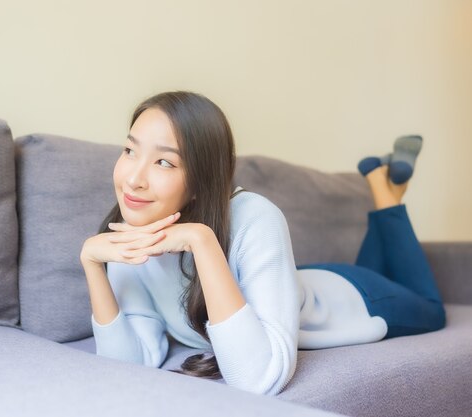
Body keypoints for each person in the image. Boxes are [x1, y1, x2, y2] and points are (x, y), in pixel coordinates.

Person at [79, 91, 446, 395]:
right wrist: (92, 263)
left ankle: (387, 196)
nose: (133, 179)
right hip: (298, 283)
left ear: (201, 180)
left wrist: (202, 240)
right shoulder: (130, 236)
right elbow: (125, 365)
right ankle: (385, 185)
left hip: (355, 299)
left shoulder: (256, 216)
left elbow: (259, 379)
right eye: (130, 151)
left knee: (432, 309)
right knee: (373, 269)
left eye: (163, 161)